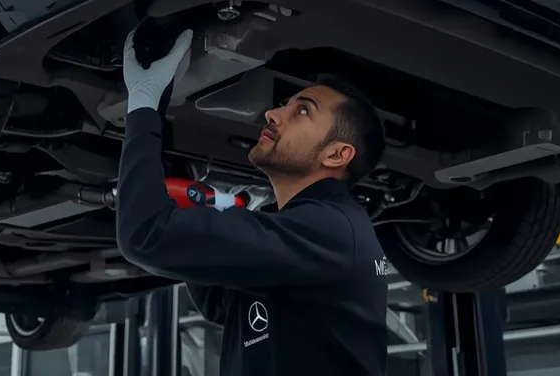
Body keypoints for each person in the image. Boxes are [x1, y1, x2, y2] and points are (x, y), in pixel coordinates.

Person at [116, 28, 389, 376]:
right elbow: (222, 304)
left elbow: (144, 234)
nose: (273, 114)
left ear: (337, 154)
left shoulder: (329, 230)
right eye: (285, 104)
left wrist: (143, 106)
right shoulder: (318, 229)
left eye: (303, 111)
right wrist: (200, 215)